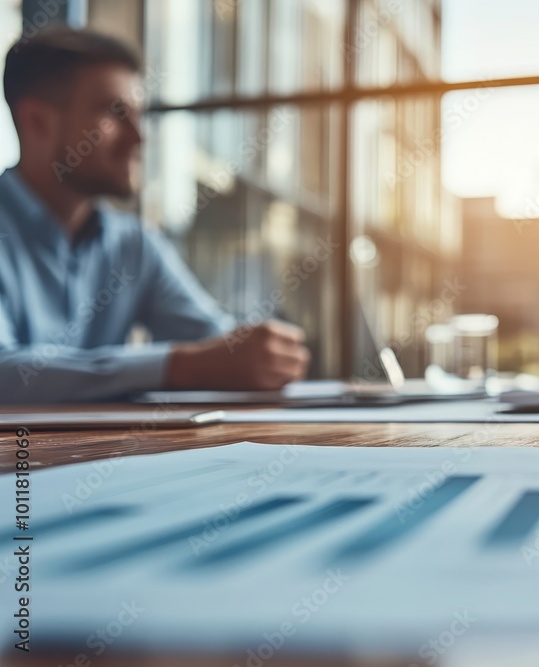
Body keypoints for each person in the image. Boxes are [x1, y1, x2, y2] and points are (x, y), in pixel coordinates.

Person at [0, 29, 310, 403]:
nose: (139, 136)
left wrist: (264, 354)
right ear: (38, 122)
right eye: (114, 113)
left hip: (86, 457)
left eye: (138, 114)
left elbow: (218, 345)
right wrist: (181, 366)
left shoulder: (133, 244)